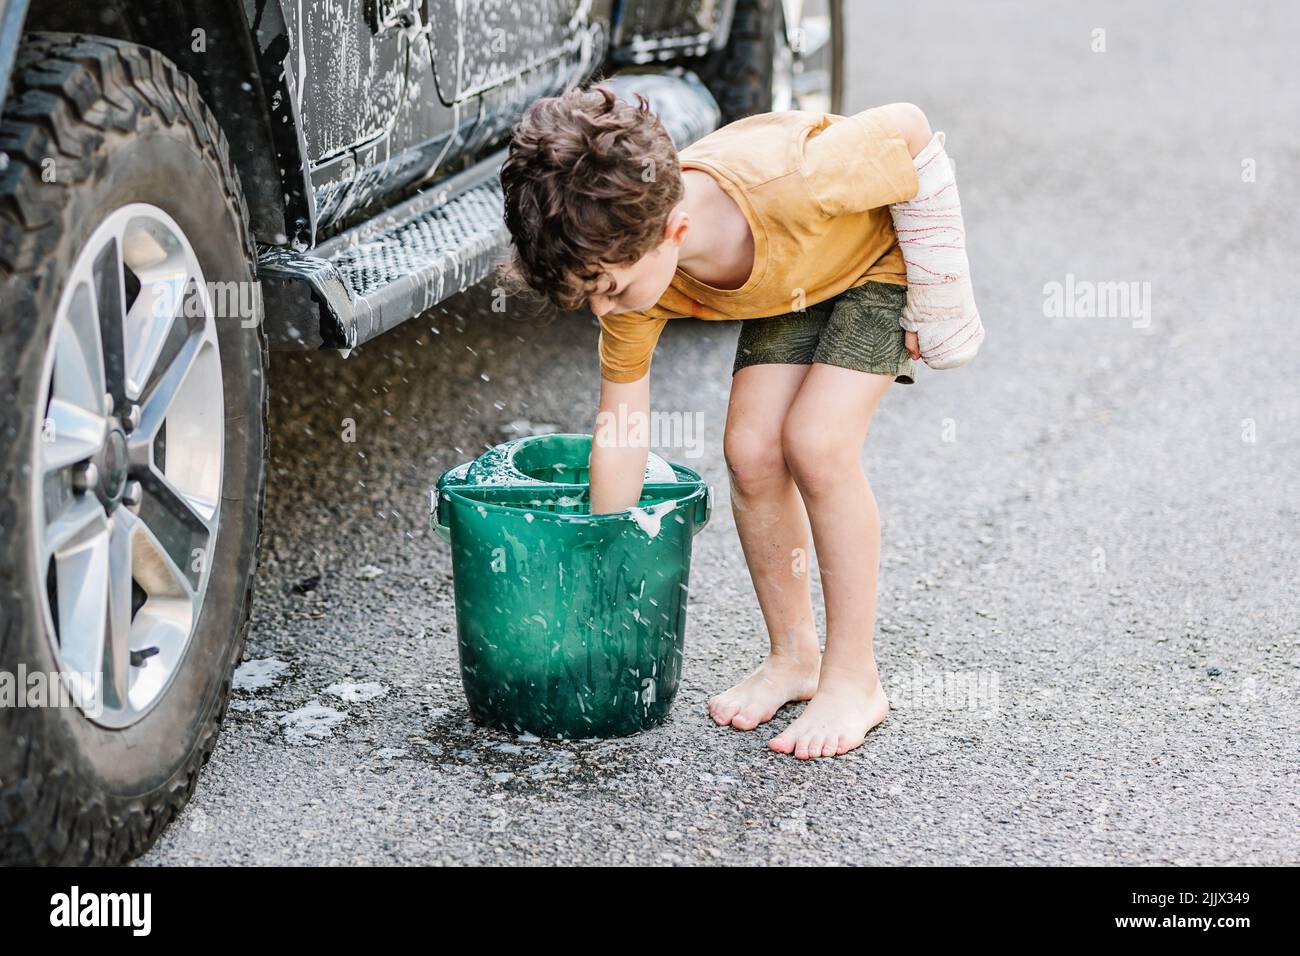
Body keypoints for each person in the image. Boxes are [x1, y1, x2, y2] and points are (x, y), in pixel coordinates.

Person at [498, 84, 983, 759]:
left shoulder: (798, 181)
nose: (605, 313)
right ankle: (795, 658)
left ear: (674, 232)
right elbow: (621, 427)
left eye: (610, 290)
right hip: (792, 283)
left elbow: (909, 124)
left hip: (876, 258)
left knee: (816, 444)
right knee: (752, 451)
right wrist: (604, 560)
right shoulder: (630, 264)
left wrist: (943, 288)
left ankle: (854, 678)